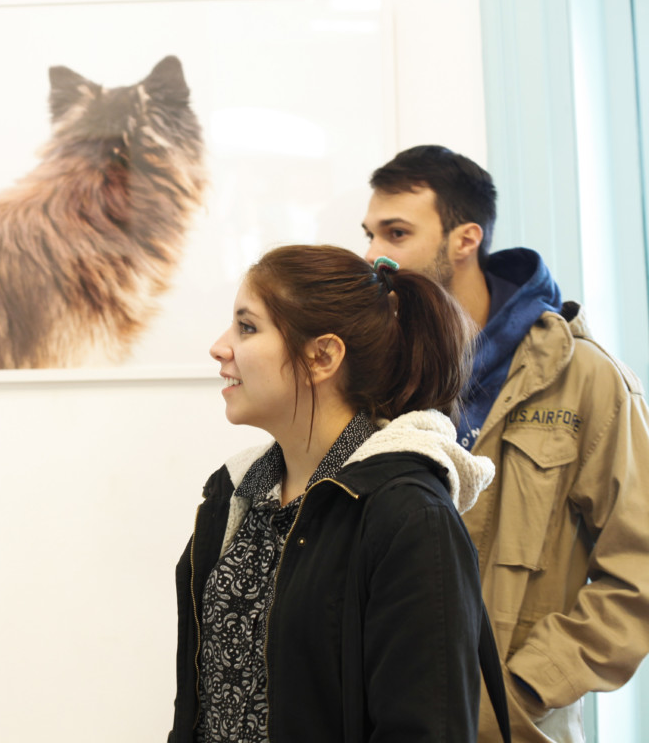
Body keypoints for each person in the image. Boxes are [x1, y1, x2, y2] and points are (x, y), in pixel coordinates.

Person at [363, 144, 649, 743]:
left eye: (396, 233)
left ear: (464, 240)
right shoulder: (376, 379)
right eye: (370, 235)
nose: (373, 257)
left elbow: (639, 573)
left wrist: (516, 691)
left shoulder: (587, 379)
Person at [169, 244, 508, 743]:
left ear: (322, 356)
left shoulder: (410, 516)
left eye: (247, 327)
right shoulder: (235, 498)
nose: (220, 348)